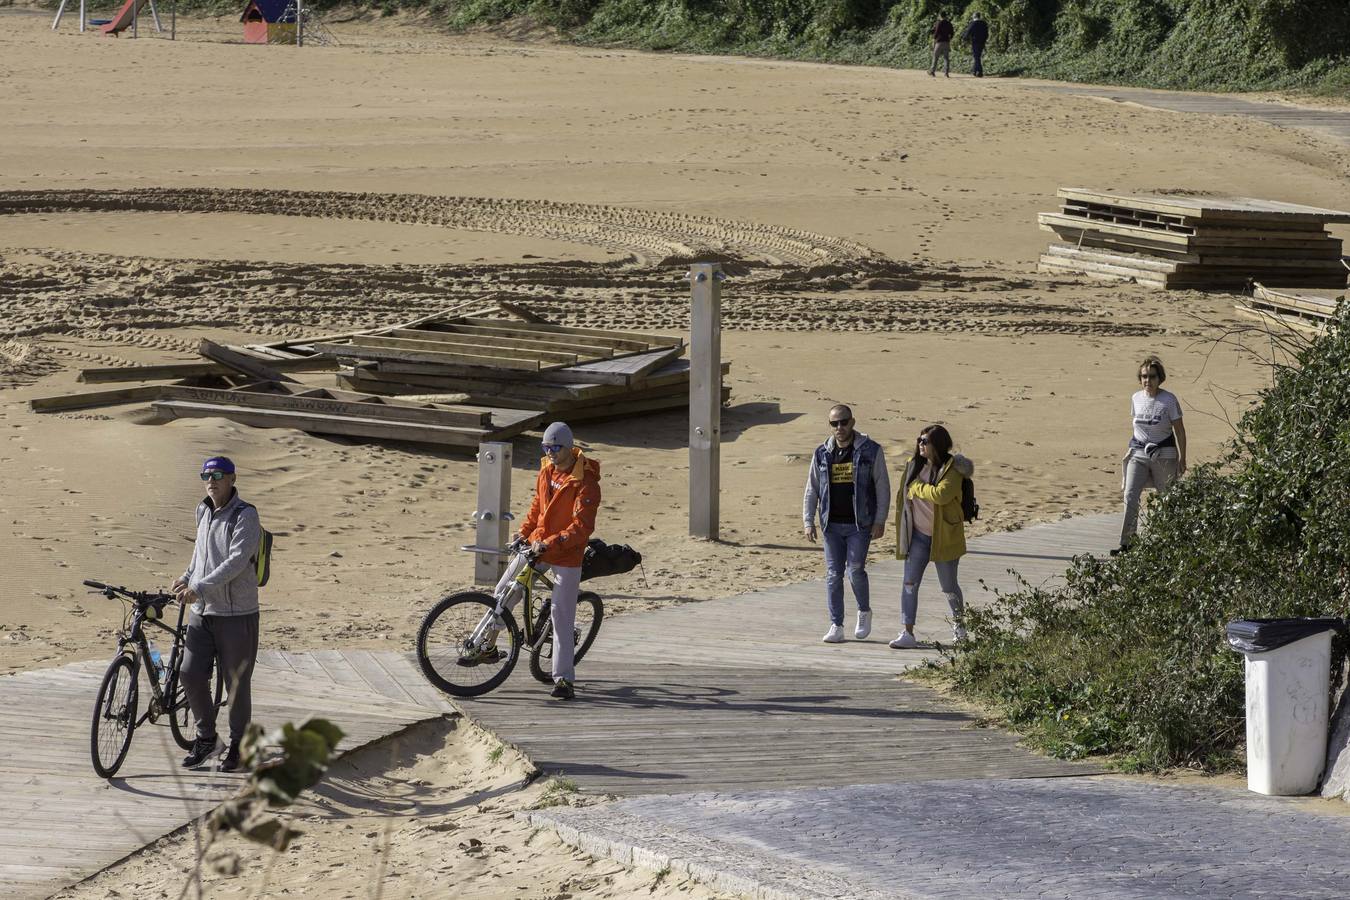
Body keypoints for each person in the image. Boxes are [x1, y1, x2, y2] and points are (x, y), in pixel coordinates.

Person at [174, 456, 262, 771]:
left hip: (237, 614)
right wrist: (186, 578)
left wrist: (200, 587)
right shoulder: (202, 510)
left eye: (218, 475)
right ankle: (207, 739)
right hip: (202, 610)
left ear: (232, 479)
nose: (211, 480)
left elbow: (237, 561)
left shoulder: (245, 515)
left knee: (236, 683)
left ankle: (240, 747)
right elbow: (201, 554)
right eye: (206, 475)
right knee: (189, 673)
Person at [517, 422, 601, 701]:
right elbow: (536, 508)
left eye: (555, 448)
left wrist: (551, 543)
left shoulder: (586, 482)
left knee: (561, 616)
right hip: (538, 545)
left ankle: (564, 679)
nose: (550, 452)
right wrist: (523, 533)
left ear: (568, 448)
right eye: (545, 447)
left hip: (566, 553)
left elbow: (581, 528)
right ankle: (486, 646)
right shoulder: (546, 470)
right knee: (505, 591)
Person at [803, 405, 891, 643]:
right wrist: (808, 521)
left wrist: (880, 520)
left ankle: (864, 610)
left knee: (855, 571)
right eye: (834, 424)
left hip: (859, 524)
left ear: (852, 422)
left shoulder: (871, 451)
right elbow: (812, 488)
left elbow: (882, 487)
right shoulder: (822, 453)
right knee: (833, 575)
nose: (839, 428)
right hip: (831, 524)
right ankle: (836, 624)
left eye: (843, 422)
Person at [891, 425, 973, 648]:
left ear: (937, 445)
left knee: (949, 586)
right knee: (909, 583)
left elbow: (942, 495)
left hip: (944, 536)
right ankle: (907, 632)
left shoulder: (953, 469)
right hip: (917, 536)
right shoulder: (912, 465)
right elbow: (902, 496)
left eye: (925, 441)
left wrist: (917, 487)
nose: (920, 444)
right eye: (919, 440)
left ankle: (959, 627)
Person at [1114, 355, 1186, 555]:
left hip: (1166, 454)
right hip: (1138, 453)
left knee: (1167, 498)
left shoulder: (1169, 400)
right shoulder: (1135, 398)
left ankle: (1169, 543)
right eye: (1144, 376)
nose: (1148, 381)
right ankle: (1127, 543)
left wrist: (1183, 457)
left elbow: (1179, 430)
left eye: (1152, 376)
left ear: (1159, 378)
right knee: (1130, 495)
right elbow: (1137, 425)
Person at [963, 11, 989, 77]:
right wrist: (984, 40)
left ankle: (980, 71)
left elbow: (968, 32)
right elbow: (987, 34)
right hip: (982, 42)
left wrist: (965, 38)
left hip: (975, 42)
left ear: (974, 16)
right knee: (977, 56)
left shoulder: (973, 23)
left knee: (976, 57)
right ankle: (974, 71)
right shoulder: (984, 23)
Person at [929, 11, 955, 78]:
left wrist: (934, 39)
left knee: (935, 57)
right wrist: (950, 38)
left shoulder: (938, 23)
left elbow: (936, 31)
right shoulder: (949, 23)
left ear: (940, 16)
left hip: (939, 42)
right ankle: (946, 73)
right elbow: (952, 33)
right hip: (946, 42)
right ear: (946, 16)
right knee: (946, 58)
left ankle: (932, 71)